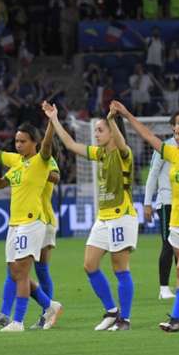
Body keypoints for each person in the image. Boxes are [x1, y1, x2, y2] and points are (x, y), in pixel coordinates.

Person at [112, 93, 179, 332]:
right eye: (175, 134)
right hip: (176, 223)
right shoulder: (173, 154)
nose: (176, 138)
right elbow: (148, 136)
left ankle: (176, 319)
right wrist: (127, 114)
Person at [43, 101, 135, 331]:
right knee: (89, 264)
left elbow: (121, 142)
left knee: (120, 268)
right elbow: (71, 144)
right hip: (103, 217)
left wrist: (113, 119)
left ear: (112, 132)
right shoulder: (100, 153)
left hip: (121, 216)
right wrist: (54, 119)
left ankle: (125, 319)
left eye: (100, 130)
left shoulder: (124, 153)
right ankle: (112, 312)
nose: (95, 133)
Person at [0, 114, 63, 332]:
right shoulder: (16, 162)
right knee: (15, 272)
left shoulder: (42, 160)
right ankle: (49, 305)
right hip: (15, 223)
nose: (19, 145)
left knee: (24, 272)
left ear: (35, 142)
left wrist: (51, 121)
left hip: (33, 221)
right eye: (17, 141)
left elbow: (48, 146)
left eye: (23, 141)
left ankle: (18, 321)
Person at [143, 110, 179, 300]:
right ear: (172, 127)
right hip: (168, 203)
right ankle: (163, 288)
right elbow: (153, 174)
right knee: (169, 245)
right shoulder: (165, 147)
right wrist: (147, 203)